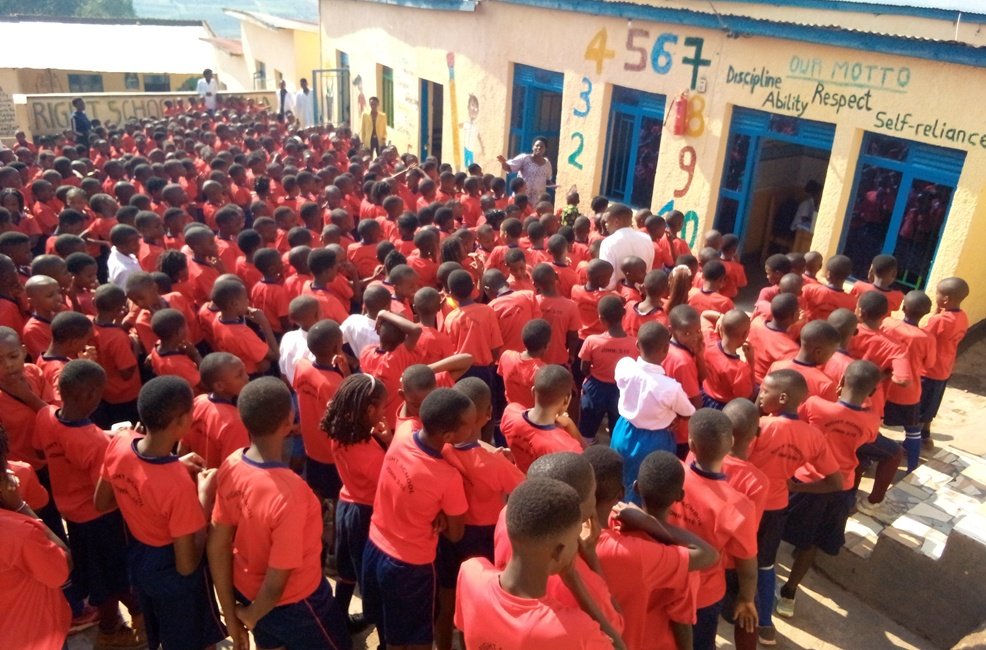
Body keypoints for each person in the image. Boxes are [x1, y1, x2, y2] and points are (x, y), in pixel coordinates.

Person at [208, 377, 351, 650]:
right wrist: (250, 616)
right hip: (298, 603)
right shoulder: (291, 493)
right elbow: (276, 583)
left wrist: (232, 615)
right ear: (289, 421)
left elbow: (218, 544)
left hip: (248, 593)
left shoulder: (232, 464)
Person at [94, 376, 227, 650]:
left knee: (163, 632)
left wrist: (170, 466)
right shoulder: (177, 486)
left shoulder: (120, 442)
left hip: (140, 559)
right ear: (182, 421)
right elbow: (187, 565)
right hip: (173, 571)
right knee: (194, 640)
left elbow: (102, 501)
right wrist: (204, 496)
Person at [34, 360, 145, 647]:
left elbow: (44, 449)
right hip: (102, 519)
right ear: (90, 395)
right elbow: (105, 496)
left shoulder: (46, 416)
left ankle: (122, 620)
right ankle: (116, 628)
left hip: (74, 516)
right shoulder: (94, 443)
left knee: (97, 573)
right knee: (114, 576)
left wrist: (109, 437)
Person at [361, 388, 473, 649]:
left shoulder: (403, 432)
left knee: (389, 629)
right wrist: (443, 515)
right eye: (469, 423)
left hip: (374, 546)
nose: (473, 427)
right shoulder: (448, 478)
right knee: (417, 638)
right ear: (448, 436)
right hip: (409, 569)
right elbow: (456, 534)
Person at [775, 360, 882, 620]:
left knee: (774, 528)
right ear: (872, 391)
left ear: (842, 381)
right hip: (840, 488)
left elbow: (797, 424)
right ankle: (789, 593)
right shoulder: (871, 420)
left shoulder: (815, 405)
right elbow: (868, 440)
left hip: (802, 481)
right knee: (810, 543)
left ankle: (762, 574)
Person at [455, 477, 612, 649]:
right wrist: (574, 581)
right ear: (557, 552)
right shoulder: (573, 629)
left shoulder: (470, 573)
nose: (579, 545)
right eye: (576, 538)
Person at [587, 445, 718, 650]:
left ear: (635, 487)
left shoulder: (582, 536)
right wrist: (647, 522)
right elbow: (681, 622)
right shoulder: (665, 554)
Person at [748, 369, 842, 644]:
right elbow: (835, 481)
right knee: (766, 563)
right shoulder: (813, 436)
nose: (760, 394)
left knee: (732, 554)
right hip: (776, 507)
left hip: (746, 502)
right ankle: (765, 624)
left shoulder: (761, 427)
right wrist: (799, 487)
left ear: (783, 398)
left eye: (765, 390)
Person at [666, 409, 759, 650]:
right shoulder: (740, 506)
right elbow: (747, 565)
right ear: (731, 443)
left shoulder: (670, 474)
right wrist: (746, 598)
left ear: (691, 445)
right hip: (704, 595)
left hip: (663, 577)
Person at [612, 321, 695, 499]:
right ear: (666, 349)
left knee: (619, 476)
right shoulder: (671, 388)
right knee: (648, 485)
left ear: (637, 345)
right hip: (655, 441)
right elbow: (688, 412)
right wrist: (676, 417)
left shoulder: (624, 366)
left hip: (623, 430)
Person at [598, 204, 655, 289]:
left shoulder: (608, 243)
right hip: (640, 293)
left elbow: (607, 282)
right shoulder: (646, 239)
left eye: (607, 222)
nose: (605, 225)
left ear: (616, 222)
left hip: (615, 294)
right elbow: (648, 270)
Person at [497, 138, 554, 205]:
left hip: (537, 201)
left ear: (545, 149)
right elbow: (509, 168)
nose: (539, 148)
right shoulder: (524, 158)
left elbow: (547, 180)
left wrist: (553, 185)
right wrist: (503, 163)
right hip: (521, 199)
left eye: (542, 147)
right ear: (532, 147)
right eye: (537, 145)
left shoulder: (547, 164)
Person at [791, 180, 821, 252]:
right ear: (815, 195)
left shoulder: (815, 204)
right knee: (807, 237)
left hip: (804, 230)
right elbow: (804, 219)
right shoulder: (806, 204)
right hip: (796, 230)